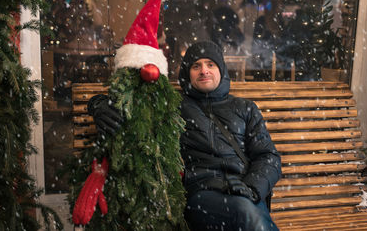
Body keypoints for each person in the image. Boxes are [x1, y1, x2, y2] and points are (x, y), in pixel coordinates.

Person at [88, 40, 282, 231]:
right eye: (196, 66)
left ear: (221, 70)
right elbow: (133, 108)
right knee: (245, 213)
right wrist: (99, 106)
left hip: (246, 189)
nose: (204, 70)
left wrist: (252, 188)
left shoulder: (245, 108)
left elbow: (268, 156)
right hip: (202, 193)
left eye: (210, 64)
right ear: (187, 73)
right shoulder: (174, 105)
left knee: (248, 212)